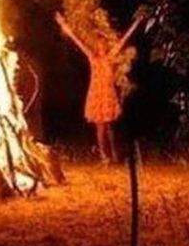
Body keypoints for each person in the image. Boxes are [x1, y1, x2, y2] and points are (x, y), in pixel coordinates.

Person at [55, 11, 143, 162]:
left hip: (107, 94)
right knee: (100, 128)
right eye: (99, 44)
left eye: (103, 44)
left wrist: (136, 23)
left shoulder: (110, 57)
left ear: (106, 46)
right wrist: (64, 25)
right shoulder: (92, 58)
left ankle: (114, 155)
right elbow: (78, 42)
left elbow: (124, 40)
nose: (101, 46)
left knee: (110, 128)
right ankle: (104, 156)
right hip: (96, 94)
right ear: (97, 47)